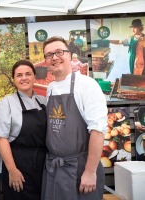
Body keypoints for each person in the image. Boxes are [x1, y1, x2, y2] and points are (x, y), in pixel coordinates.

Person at [41, 36, 108, 200]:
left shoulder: (86, 85)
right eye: (49, 55)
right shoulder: (50, 88)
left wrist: (90, 172)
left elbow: (98, 131)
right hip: (53, 168)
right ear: (46, 61)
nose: (55, 57)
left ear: (70, 55)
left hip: (79, 169)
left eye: (59, 52)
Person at [0, 60, 47, 200]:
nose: (24, 78)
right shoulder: (6, 103)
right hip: (18, 163)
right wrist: (12, 170)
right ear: (14, 79)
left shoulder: (44, 101)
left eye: (28, 74)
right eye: (19, 75)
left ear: (34, 76)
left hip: (43, 164)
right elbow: (1, 138)